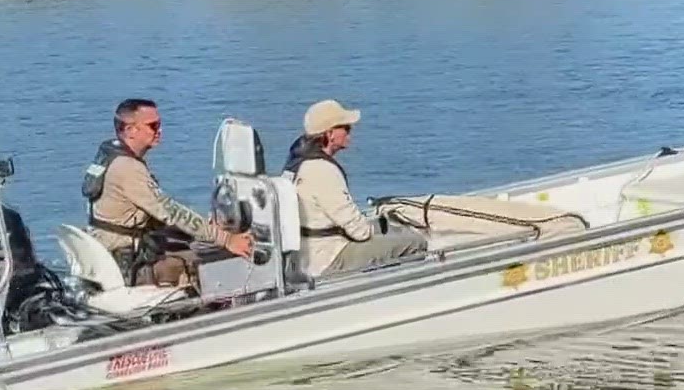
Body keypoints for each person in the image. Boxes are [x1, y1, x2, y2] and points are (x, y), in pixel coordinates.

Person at [84, 98, 251, 291]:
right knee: (203, 258)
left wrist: (206, 230)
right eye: (153, 126)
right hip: (128, 263)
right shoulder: (127, 168)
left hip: (106, 250)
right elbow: (171, 211)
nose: (160, 131)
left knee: (192, 240)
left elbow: (150, 213)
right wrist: (227, 240)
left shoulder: (109, 155)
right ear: (130, 130)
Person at [285, 99, 428, 279]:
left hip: (306, 253)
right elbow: (359, 232)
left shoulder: (296, 164)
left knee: (389, 228)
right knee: (414, 242)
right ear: (330, 134)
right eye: (346, 128)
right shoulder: (322, 170)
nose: (350, 133)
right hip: (328, 257)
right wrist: (377, 231)